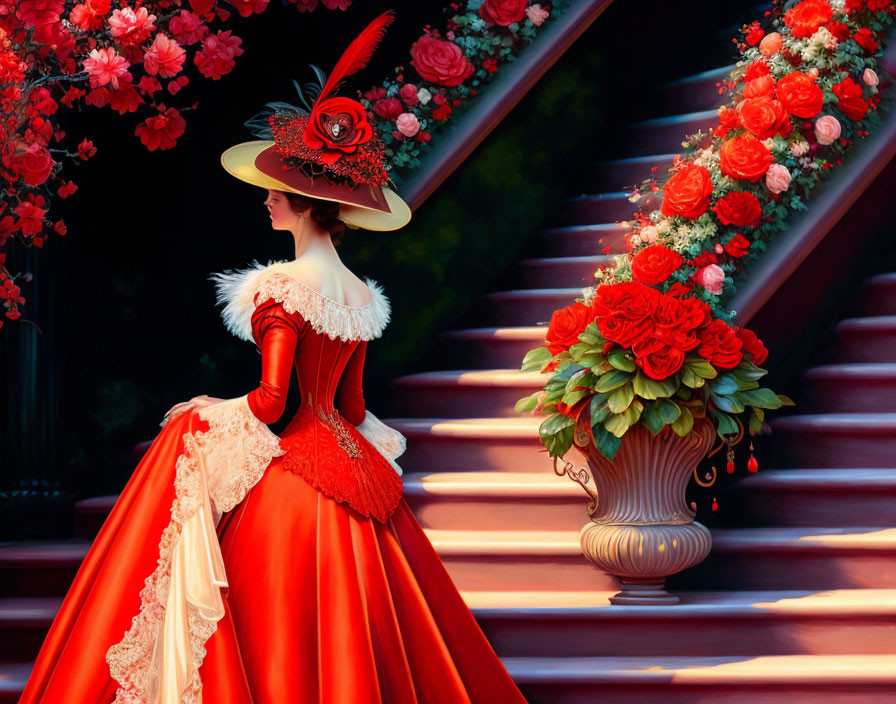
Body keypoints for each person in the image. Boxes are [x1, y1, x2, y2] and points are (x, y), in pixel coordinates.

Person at [19, 11, 529, 704]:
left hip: (297, 481)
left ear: (300, 200)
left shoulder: (281, 289)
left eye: (274, 191)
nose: (265, 201)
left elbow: (270, 404)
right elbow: (351, 407)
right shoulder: (357, 292)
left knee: (203, 489)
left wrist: (201, 417)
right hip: (354, 469)